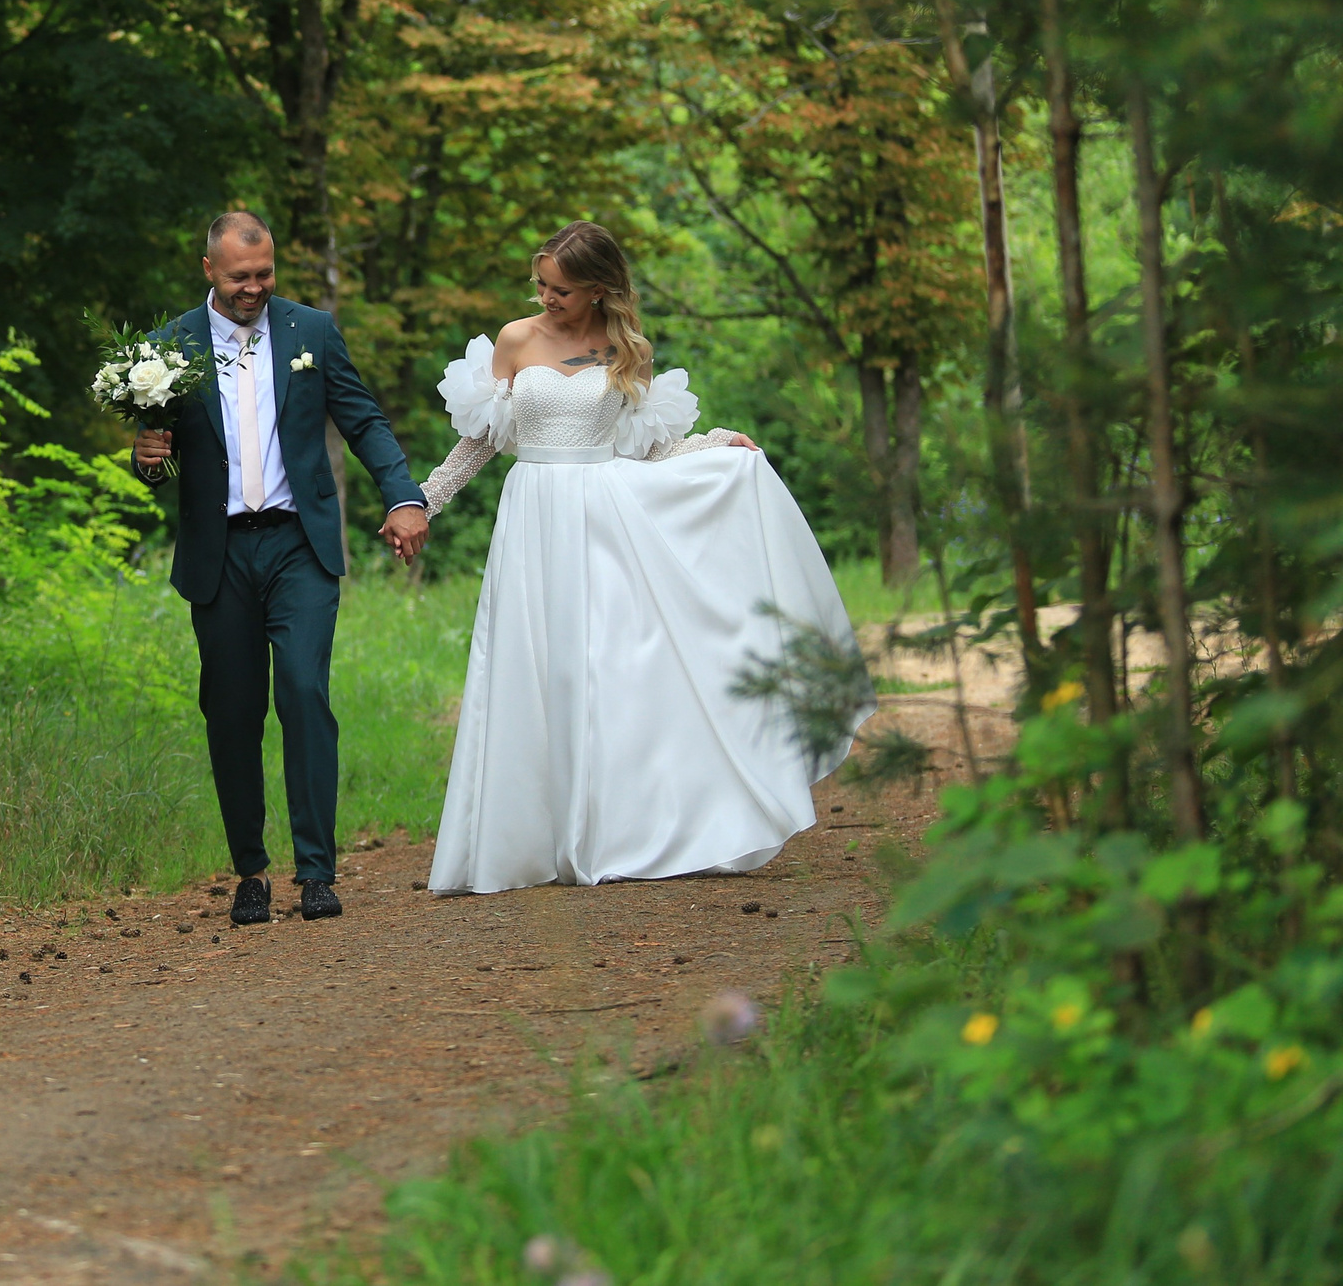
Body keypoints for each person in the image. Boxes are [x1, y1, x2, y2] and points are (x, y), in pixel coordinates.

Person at [417, 221, 873, 894]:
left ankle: (621, 828)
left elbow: (646, 447)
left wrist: (716, 444)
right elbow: (483, 440)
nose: (547, 297)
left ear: (599, 289)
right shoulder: (515, 341)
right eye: (541, 284)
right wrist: (423, 501)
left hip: (605, 513)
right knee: (538, 667)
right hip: (534, 514)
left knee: (604, 669)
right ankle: (529, 838)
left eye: (562, 290)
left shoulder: (628, 348)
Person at [133, 212, 432, 926]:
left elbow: (362, 420)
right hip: (221, 551)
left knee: (304, 692)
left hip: (300, 544)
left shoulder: (312, 331)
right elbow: (159, 455)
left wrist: (405, 495)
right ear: (209, 269)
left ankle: (317, 870)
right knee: (231, 712)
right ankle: (250, 871)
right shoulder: (167, 345)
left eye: (264, 274)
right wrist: (148, 460)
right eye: (240, 277)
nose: (254, 288)